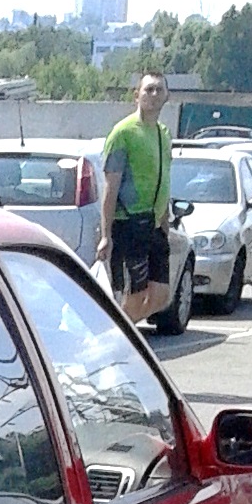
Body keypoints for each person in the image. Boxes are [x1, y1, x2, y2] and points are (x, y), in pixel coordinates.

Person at [96, 71, 173, 325]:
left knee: (161, 296)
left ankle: (118, 333)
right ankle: (119, 339)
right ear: (136, 95)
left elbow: (163, 179)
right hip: (128, 225)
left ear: (166, 96)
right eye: (148, 89)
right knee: (134, 294)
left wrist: (165, 220)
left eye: (159, 90)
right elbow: (110, 188)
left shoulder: (163, 134)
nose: (153, 95)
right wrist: (106, 235)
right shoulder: (123, 133)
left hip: (154, 226)